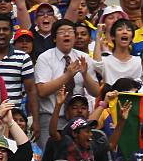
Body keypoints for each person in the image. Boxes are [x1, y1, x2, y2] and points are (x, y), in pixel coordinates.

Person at [35, 18, 99, 148]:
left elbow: (96, 92)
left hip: (78, 119)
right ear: (54, 38)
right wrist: (68, 75)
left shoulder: (84, 58)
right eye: (62, 32)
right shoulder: (45, 58)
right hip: (51, 117)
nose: (66, 34)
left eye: (70, 31)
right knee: (52, 157)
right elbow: (42, 91)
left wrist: (85, 74)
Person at [0, 14, 40, 140]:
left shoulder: (23, 57)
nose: (1, 33)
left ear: (11, 33)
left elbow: (31, 90)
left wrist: (36, 120)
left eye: (5, 29)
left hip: (13, 119)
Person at [93, 19, 142, 85]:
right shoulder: (105, 61)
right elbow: (96, 64)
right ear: (113, 37)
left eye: (128, 30)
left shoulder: (140, 62)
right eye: (120, 29)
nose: (125, 32)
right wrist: (98, 35)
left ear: (132, 38)